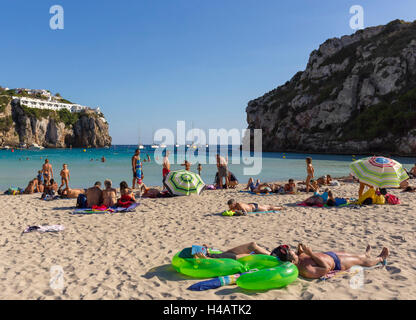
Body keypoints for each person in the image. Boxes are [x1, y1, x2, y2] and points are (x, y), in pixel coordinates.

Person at [271, 243, 389, 279]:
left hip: (329, 255)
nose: (293, 251)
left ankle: (365, 254)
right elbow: (325, 269)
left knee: (357, 256)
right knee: (361, 262)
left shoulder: (296, 258)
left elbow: (301, 256)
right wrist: (310, 253)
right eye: (291, 252)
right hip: (337, 263)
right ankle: (380, 258)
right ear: (291, 262)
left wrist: (300, 250)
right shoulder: (306, 270)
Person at [188, 242, 271, 260]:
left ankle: (272, 255)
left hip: (223, 253)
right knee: (254, 254)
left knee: (252, 245)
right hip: (225, 258)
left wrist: (207, 250)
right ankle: (274, 258)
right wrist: (205, 257)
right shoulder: (202, 258)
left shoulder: (204, 254)